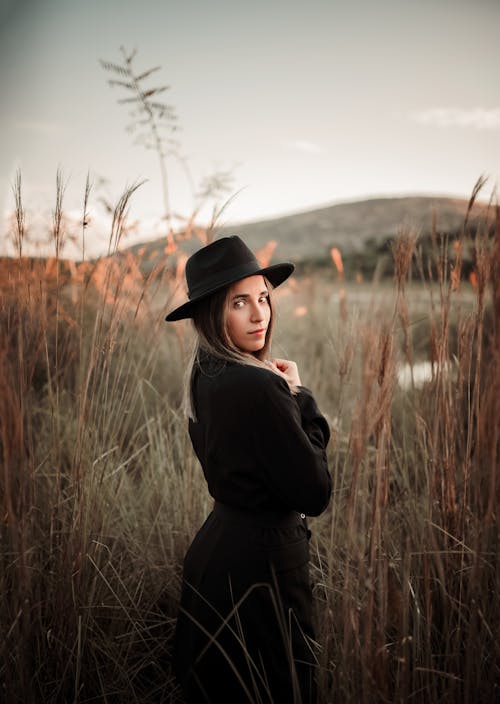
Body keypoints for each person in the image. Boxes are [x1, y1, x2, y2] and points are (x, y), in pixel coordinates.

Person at [165, 235, 331, 703]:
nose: (260, 314)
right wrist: (301, 397)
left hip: (217, 558)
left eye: (263, 298)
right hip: (265, 568)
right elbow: (315, 493)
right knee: (282, 689)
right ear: (213, 311)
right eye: (241, 302)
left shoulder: (204, 372)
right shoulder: (261, 387)